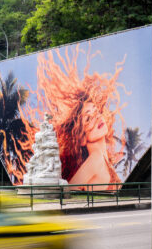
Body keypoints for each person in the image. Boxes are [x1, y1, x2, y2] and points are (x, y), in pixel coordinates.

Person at [29, 46, 126, 190]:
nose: (96, 117)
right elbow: (70, 189)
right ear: (80, 138)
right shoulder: (95, 160)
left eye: (96, 112)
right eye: (88, 119)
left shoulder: (103, 160)